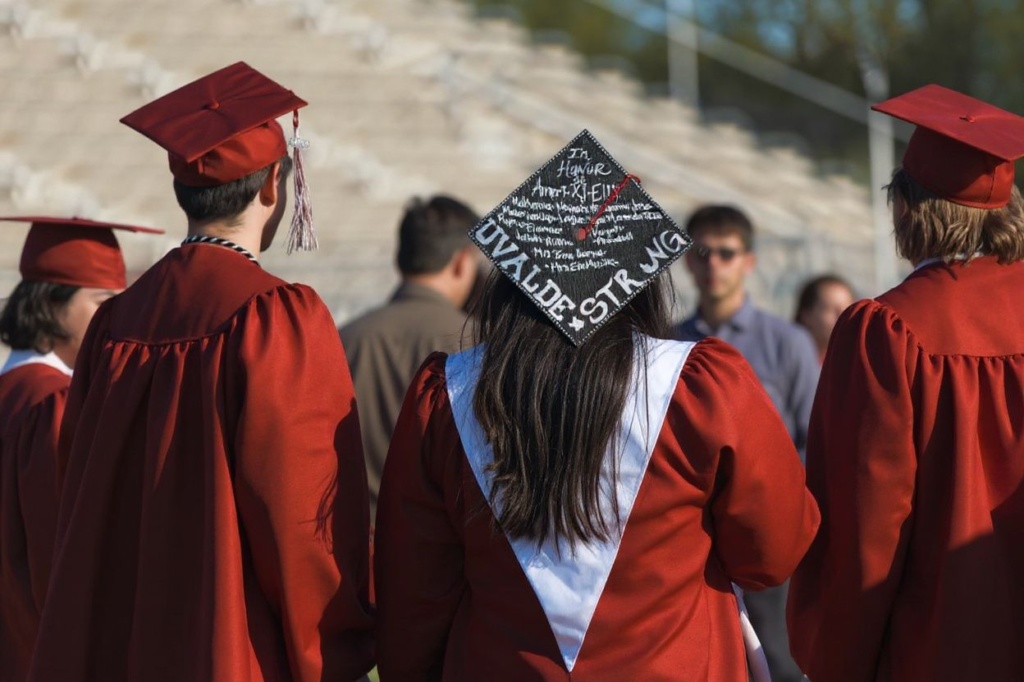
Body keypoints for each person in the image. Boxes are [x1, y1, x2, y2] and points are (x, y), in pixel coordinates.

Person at [375, 131, 819, 680]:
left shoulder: (445, 397)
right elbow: (773, 551)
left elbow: (415, 593)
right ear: (638, 280)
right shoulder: (701, 386)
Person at [27, 63, 374, 682]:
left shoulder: (113, 327)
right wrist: (338, 644)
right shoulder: (276, 318)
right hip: (233, 651)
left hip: (115, 646)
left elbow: (75, 494)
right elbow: (301, 521)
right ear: (274, 185)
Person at [787, 85, 1024, 681]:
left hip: (941, 650)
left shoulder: (888, 331)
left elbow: (868, 527)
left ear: (905, 208)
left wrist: (836, 660)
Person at [0, 217, 162, 682]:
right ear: (50, 305)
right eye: (101, 302)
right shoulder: (51, 405)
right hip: (44, 652)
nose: (113, 318)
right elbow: (63, 558)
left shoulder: (15, 394)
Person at [675, 204, 819, 682]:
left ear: (748, 261)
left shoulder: (788, 342)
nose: (713, 263)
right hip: (691, 539)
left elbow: (812, 441)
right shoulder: (667, 342)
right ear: (687, 260)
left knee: (778, 661)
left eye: (726, 253)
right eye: (702, 252)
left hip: (763, 536)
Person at [340, 195, 480, 519]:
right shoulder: (480, 342)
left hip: (359, 543)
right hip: (445, 548)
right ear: (462, 262)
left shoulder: (344, 338)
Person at [793, 274, 856, 362]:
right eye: (831, 309)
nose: (842, 317)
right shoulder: (789, 361)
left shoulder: (853, 362)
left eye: (847, 310)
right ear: (806, 315)